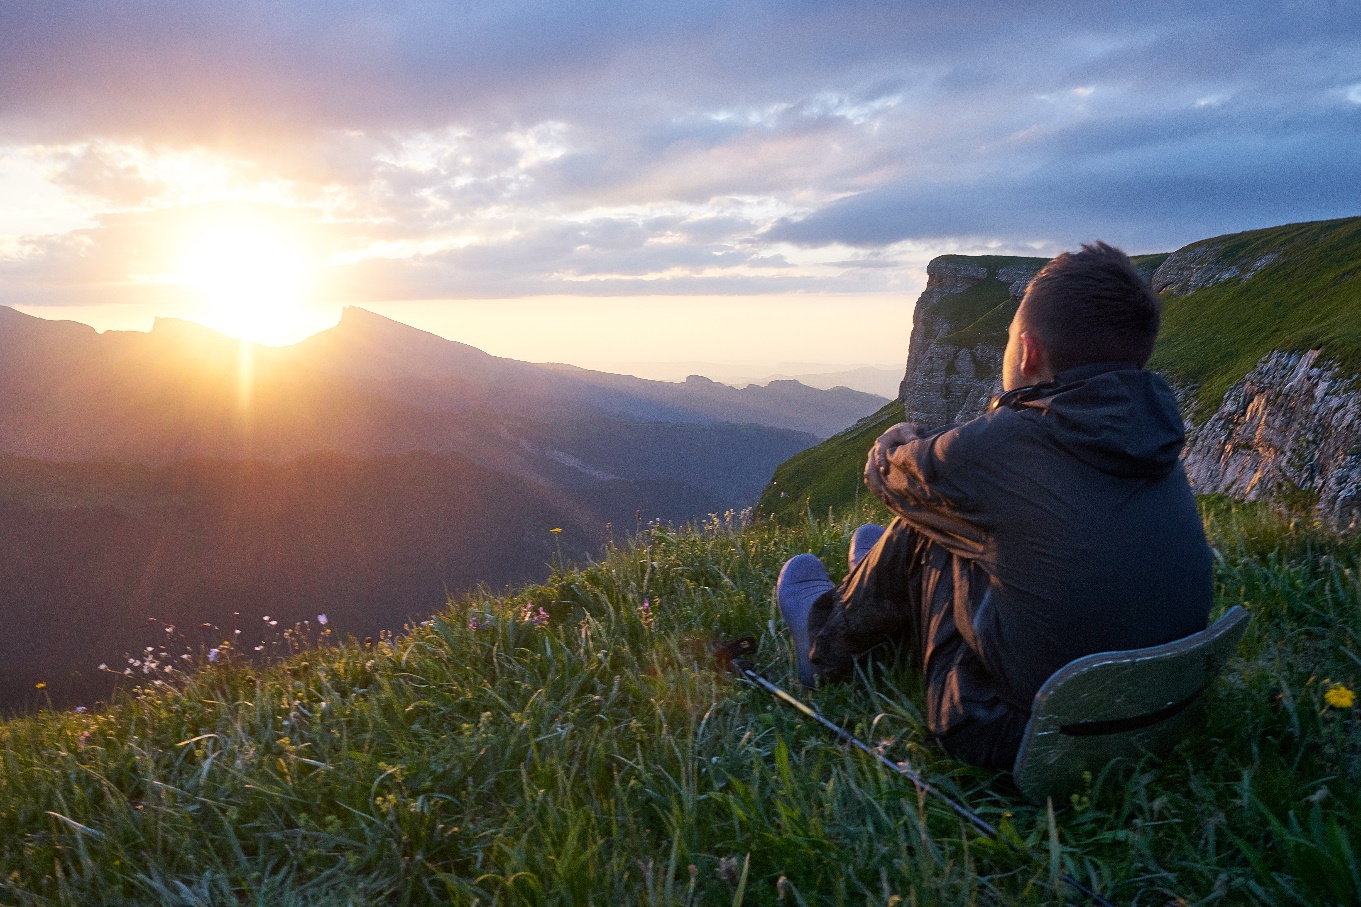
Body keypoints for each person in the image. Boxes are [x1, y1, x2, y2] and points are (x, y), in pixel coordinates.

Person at [777, 241, 1214, 771]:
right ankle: (884, 589)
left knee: (928, 518)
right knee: (962, 509)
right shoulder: (1151, 431)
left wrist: (896, 439)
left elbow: (890, 477)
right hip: (1166, 714)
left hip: (1013, 735)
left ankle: (823, 644)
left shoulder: (1002, 446)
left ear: (1027, 353)